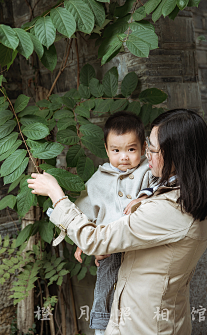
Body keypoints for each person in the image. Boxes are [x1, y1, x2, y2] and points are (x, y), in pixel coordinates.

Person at [28, 108, 207, 335]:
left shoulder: (168, 208)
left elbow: (93, 240)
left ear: (176, 153)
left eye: (150, 148)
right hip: (161, 317)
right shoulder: (195, 195)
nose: (146, 155)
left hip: (142, 326)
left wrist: (56, 193)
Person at [46, 111, 160, 335]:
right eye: (116, 151)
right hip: (109, 248)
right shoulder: (98, 180)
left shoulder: (147, 171)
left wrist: (144, 195)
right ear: (106, 150)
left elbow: (162, 184)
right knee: (104, 288)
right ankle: (101, 328)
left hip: (140, 246)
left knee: (138, 292)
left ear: (143, 148)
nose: (124, 157)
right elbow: (85, 213)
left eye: (131, 149)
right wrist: (82, 242)